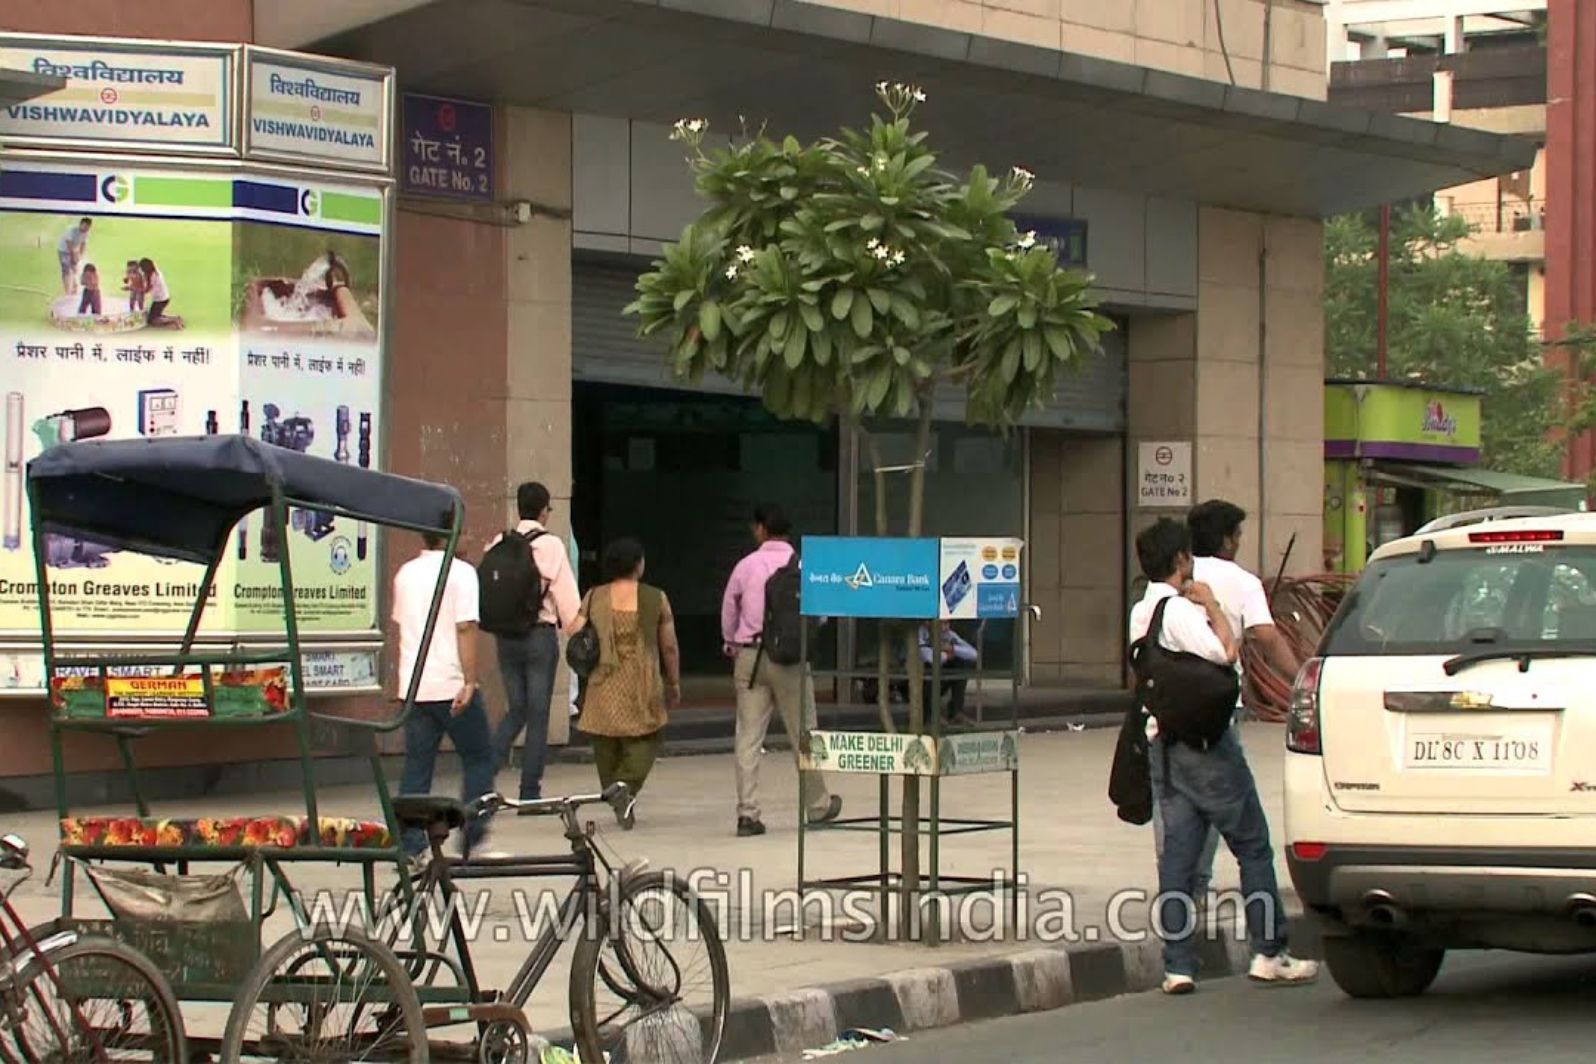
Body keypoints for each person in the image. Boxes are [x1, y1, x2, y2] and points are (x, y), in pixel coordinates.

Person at [1129, 518, 1317, 995]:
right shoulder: (1179, 611)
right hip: (1208, 746)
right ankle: (1269, 952)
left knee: (1179, 854)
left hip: (1164, 743)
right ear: (1179, 561)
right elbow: (1226, 653)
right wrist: (1211, 604)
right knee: (1252, 844)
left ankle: (1178, 965)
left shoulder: (1141, 611)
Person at [1166, 500, 1305, 907]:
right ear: (1228, 539)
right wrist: (1300, 680)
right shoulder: (1241, 581)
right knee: (1229, 806)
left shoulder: (1176, 578)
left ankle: (1179, 887)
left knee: (1177, 799)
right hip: (1217, 704)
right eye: (1238, 535)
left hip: (1168, 702)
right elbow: (1266, 635)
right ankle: (1198, 885)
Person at [722, 503, 840, 836]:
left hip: (751, 656)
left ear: (760, 529)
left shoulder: (745, 566)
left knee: (747, 737)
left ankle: (748, 813)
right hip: (791, 658)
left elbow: (729, 610)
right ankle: (817, 806)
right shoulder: (804, 566)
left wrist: (732, 644)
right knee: (804, 732)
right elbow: (820, 615)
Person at [391, 520, 495, 859]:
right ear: (453, 535)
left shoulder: (405, 574)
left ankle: (411, 845)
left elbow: (403, 627)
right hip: (451, 684)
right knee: (480, 758)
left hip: (415, 686)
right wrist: (469, 680)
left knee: (418, 766)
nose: (469, 537)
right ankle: (472, 836)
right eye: (465, 531)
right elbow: (465, 628)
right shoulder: (462, 573)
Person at [572, 538, 681, 820]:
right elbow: (669, 645)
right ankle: (627, 786)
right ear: (638, 565)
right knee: (646, 735)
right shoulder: (655, 597)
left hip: (603, 677)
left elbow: (575, 630)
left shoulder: (595, 596)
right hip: (640, 677)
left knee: (605, 740)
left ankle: (614, 791)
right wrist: (674, 681)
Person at [486, 482, 581, 799]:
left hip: (505, 637)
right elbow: (567, 599)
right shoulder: (552, 545)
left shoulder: (499, 543)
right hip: (539, 637)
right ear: (544, 510)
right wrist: (578, 632)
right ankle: (529, 789)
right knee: (538, 714)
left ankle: (484, 773)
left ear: (519, 509)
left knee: (517, 709)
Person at [907, 623, 977, 725]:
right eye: (943, 623)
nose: (946, 627)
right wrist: (946, 654)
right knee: (931, 668)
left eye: (948, 623)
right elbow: (929, 657)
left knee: (962, 664)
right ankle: (930, 715)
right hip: (916, 679)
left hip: (941, 677)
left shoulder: (948, 634)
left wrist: (952, 648)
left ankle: (956, 713)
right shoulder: (920, 633)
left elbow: (974, 654)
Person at [139, 259, 183, 329]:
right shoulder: (156, 272)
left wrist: (135, 289)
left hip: (160, 300)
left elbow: (147, 290)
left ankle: (174, 320)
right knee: (155, 315)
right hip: (164, 298)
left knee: (152, 320)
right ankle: (176, 318)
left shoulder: (152, 276)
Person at [58, 219, 91, 295]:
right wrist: (73, 257)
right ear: (81, 224)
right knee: (66, 269)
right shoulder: (71, 230)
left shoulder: (85, 233)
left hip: (74, 251)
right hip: (63, 251)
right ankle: (67, 291)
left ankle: (74, 288)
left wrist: (79, 256)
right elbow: (69, 244)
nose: (86, 229)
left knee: (75, 270)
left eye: (88, 228)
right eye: (85, 227)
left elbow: (83, 244)